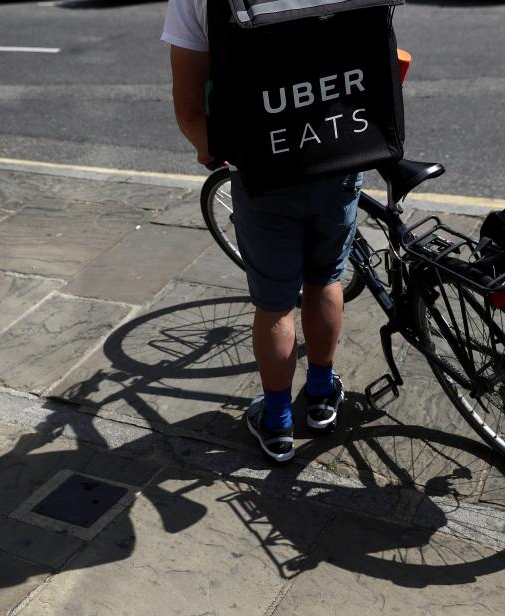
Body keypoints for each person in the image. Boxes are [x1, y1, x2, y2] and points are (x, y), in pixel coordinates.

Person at [162, 0, 363, 463]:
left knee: (275, 305)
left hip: (264, 169)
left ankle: (277, 424)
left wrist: (213, 154)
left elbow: (190, 109)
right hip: (338, 147)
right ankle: (320, 399)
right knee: (325, 279)